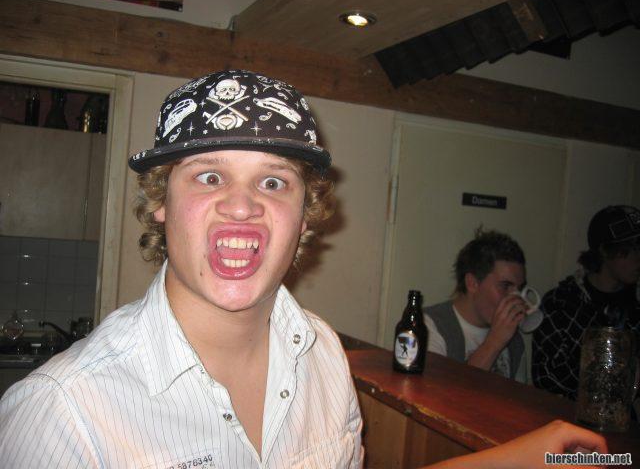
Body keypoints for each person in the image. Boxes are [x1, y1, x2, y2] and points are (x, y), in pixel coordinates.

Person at [0, 70, 606, 468]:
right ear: (161, 203)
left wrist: (529, 455)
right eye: (209, 176)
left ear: (305, 217)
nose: (242, 205)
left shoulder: (322, 353)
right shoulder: (62, 413)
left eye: (273, 182)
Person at [533, 205, 640, 400]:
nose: (637, 258)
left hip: (620, 415)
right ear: (605, 251)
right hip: (566, 413)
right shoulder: (561, 304)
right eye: (630, 250)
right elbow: (547, 379)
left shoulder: (635, 309)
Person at [423, 229, 528, 382]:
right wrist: (494, 342)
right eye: (505, 286)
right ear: (472, 283)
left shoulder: (514, 340)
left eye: (520, 289)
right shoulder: (431, 325)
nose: (516, 298)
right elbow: (438, 392)